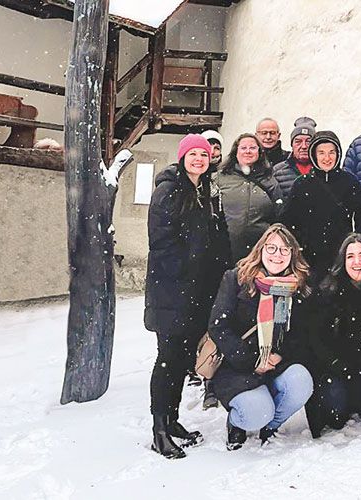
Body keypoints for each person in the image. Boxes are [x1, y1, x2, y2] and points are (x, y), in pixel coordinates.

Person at [144, 134, 231, 459]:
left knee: (182, 361)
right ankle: (159, 430)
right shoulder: (168, 190)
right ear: (182, 158)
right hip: (172, 292)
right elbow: (161, 243)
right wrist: (189, 272)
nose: (198, 159)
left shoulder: (207, 191)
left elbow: (217, 237)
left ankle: (173, 420)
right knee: (167, 360)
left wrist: (222, 271)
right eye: (193, 154)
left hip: (197, 292)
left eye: (203, 155)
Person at [208, 224, 314, 450]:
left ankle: (271, 425)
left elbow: (302, 333)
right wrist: (252, 361)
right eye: (271, 248)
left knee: (301, 382)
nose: (278, 255)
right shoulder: (237, 278)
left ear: (293, 254)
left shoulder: (297, 285)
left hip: (276, 362)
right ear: (261, 249)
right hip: (237, 366)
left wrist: (279, 355)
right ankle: (238, 421)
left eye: (284, 250)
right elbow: (219, 327)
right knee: (256, 412)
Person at [304, 233, 361, 452]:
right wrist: (338, 366)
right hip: (338, 370)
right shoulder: (327, 292)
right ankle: (352, 402)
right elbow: (315, 341)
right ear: (342, 260)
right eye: (350, 256)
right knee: (335, 417)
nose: (357, 262)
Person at [283, 130, 361, 277]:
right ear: (314, 155)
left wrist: (357, 249)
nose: (327, 158)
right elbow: (289, 221)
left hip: (341, 256)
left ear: (338, 154)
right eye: (321, 153)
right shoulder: (301, 184)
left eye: (331, 152)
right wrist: (299, 249)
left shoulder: (350, 182)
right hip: (308, 258)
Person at [217, 133, 284, 263]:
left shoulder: (269, 181)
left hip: (259, 251)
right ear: (235, 152)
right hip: (225, 249)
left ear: (259, 152)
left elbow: (279, 215)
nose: (248, 151)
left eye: (253, 148)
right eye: (243, 148)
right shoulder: (220, 179)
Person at [272, 117, 317, 199]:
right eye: (298, 142)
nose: (304, 146)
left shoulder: (323, 170)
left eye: (308, 141)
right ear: (292, 145)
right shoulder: (277, 172)